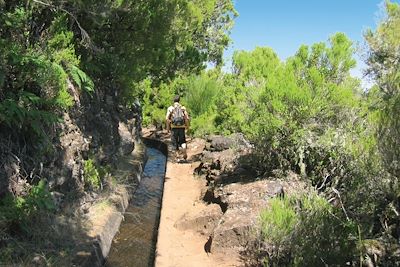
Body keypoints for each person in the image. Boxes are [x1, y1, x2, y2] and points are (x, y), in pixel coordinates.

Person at [166, 95, 189, 160]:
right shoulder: (183, 108)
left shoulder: (170, 108)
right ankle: (184, 148)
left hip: (173, 128)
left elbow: (167, 119)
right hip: (182, 127)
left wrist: (168, 129)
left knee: (174, 143)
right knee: (182, 141)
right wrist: (187, 127)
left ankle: (178, 158)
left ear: (173, 101)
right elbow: (186, 118)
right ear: (179, 100)